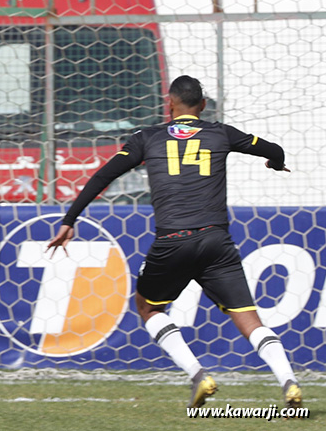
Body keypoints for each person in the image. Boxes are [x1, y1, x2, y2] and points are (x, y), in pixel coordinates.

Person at [46, 75, 301, 410]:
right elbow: (273, 149)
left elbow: (103, 176)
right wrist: (275, 163)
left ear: (169, 102)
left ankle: (199, 376)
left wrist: (69, 220)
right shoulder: (220, 132)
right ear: (203, 105)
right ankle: (289, 383)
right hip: (215, 242)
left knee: (148, 307)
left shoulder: (147, 138)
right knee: (249, 318)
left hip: (172, 241)